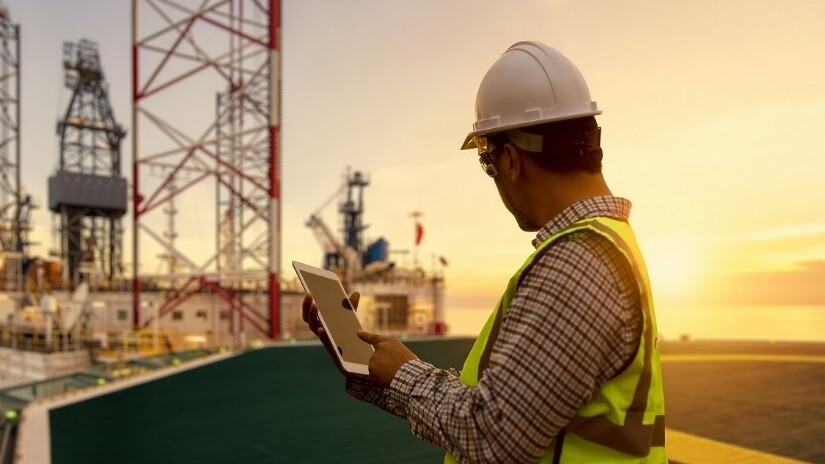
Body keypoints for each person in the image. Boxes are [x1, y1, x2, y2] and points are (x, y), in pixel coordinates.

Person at [302, 41, 666, 463]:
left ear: (510, 160)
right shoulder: (607, 243)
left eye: (486, 163)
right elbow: (509, 405)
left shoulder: (578, 262)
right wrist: (368, 367)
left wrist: (406, 374)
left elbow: (494, 437)